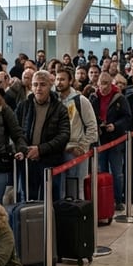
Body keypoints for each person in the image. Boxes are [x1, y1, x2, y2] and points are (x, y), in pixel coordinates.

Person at [15, 71, 69, 201]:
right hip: (28, 161)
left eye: (42, 84)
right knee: (28, 200)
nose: (38, 88)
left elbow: (64, 136)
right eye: (35, 84)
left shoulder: (60, 108)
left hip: (51, 161)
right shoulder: (23, 106)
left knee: (51, 199)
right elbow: (15, 131)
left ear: (50, 85)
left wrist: (40, 149)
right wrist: (22, 149)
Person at [54, 67, 98, 200]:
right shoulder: (54, 100)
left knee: (77, 188)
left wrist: (82, 147)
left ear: (70, 80)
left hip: (75, 151)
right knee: (60, 189)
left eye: (62, 79)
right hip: (58, 150)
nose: (59, 82)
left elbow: (92, 127)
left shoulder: (81, 100)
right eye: (57, 79)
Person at [90, 69, 130, 212]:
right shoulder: (94, 97)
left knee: (117, 171)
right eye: (101, 83)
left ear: (111, 83)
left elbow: (127, 117)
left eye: (106, 83)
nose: (104, 87)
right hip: (100, 139)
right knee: (102, 170)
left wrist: (115, 126)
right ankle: (105, 200)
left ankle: (118, 199)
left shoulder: (119, 98)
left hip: (115, 139)